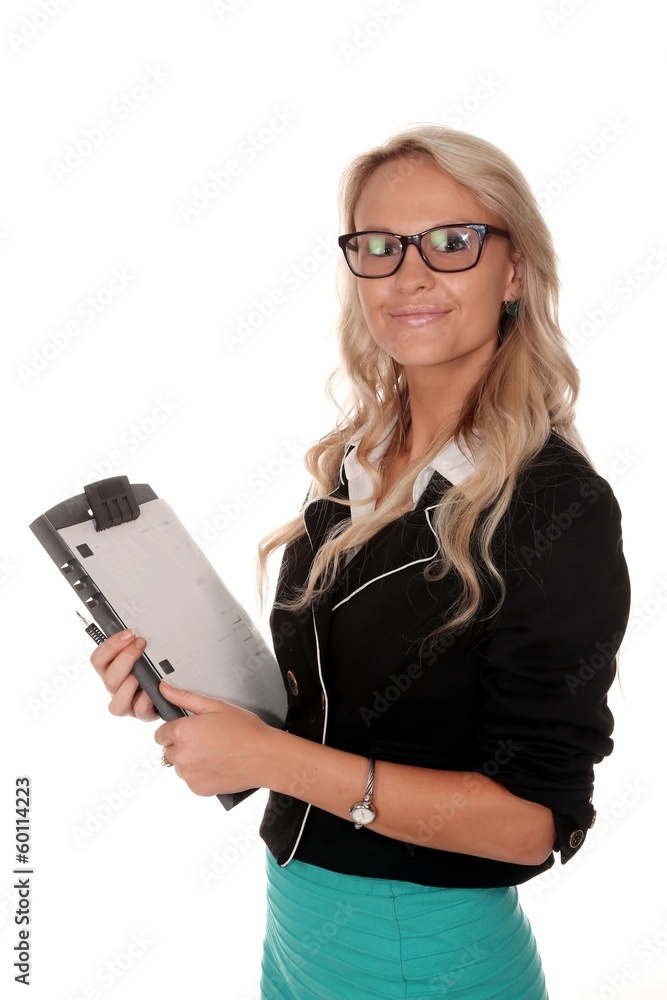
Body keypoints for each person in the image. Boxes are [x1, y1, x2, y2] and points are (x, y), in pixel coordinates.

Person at [91, 125, 631, 999]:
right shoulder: (359, 463)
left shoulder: (553, 507)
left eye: (451, 242)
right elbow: (342, 712)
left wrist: (269, 761)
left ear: (515, 271)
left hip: (422, 955)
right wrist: (197, 703)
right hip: (297, 933)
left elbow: (532, 824)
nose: (408, 275)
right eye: (380, 246)